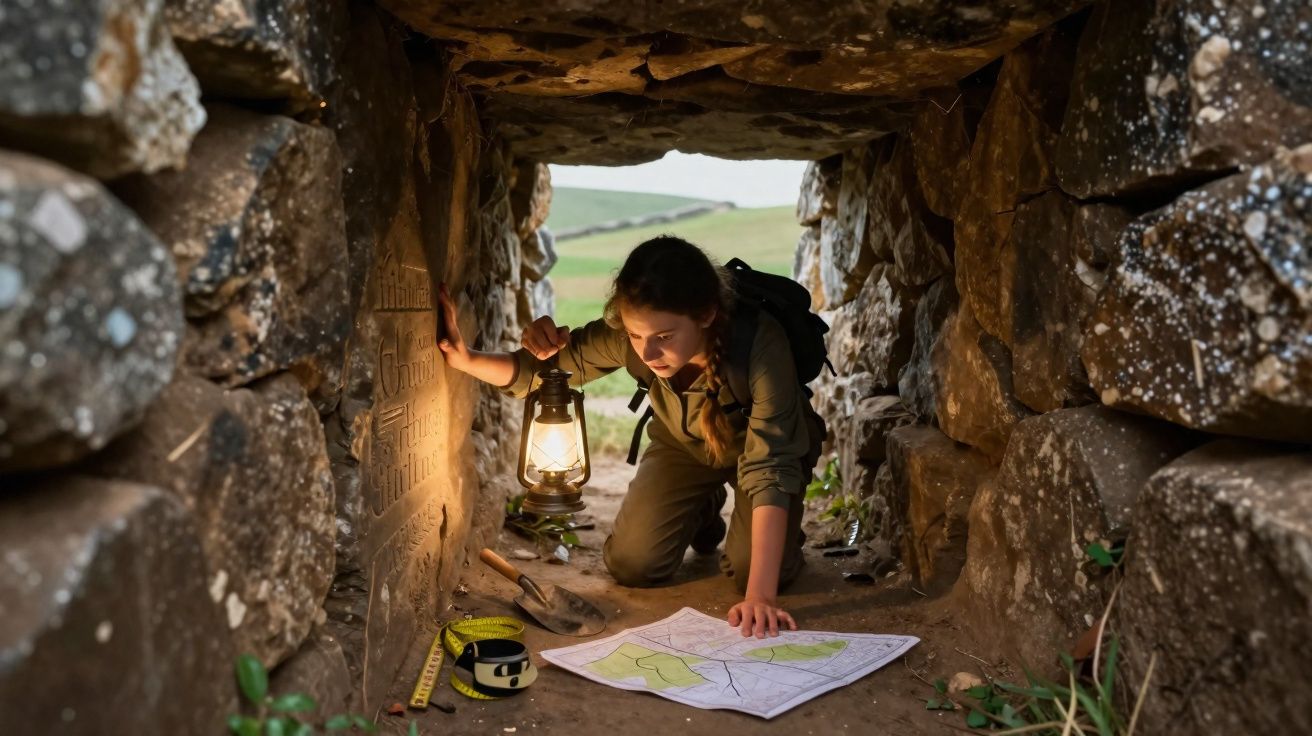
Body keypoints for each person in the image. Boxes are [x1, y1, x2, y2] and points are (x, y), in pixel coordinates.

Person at [436, 236, 824, 638]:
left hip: (758, 453)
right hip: (682, 446)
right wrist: (466, 359)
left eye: (665, 337)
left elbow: (771, 467)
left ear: (707, 314)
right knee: (631, 564)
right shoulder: (630, 338)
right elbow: (536, 372)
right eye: (637, 337)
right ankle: (702, 508)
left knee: (751, 573)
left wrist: (760, 595)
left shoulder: (761, 344)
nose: (648, 353)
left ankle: (780, 535)